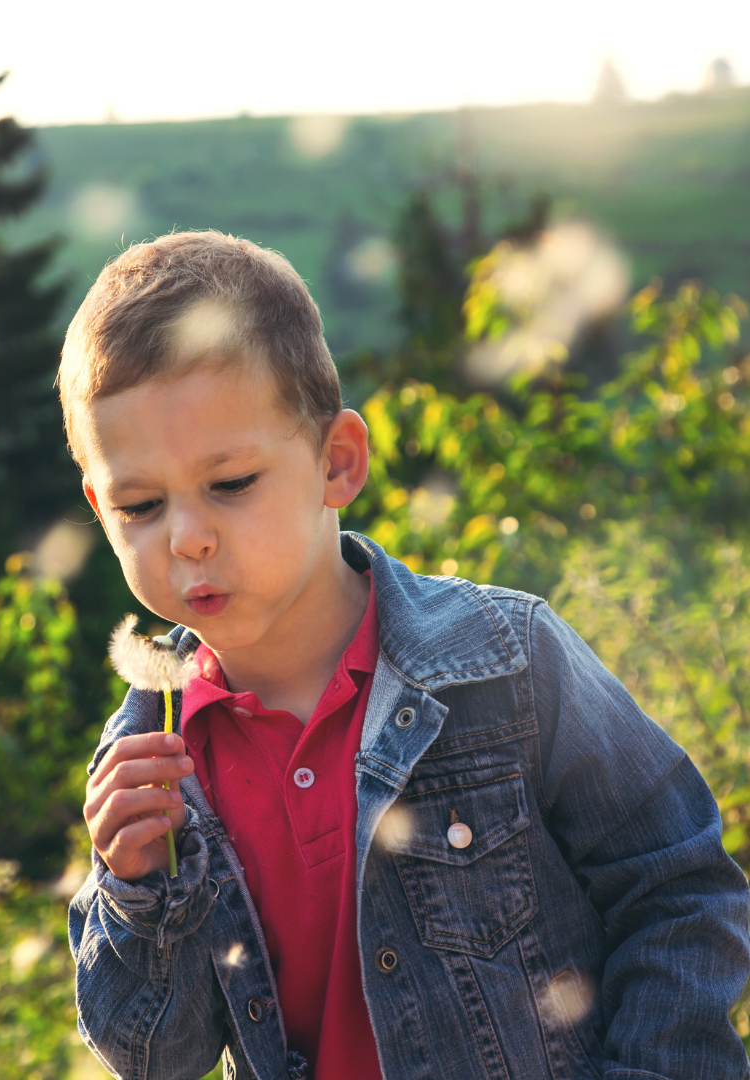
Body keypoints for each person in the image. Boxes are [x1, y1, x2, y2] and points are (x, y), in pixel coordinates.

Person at [62, 230, 750, 1080]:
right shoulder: (150, 761)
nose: (188, 537)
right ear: (98, 507)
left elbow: (679, 886)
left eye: (232, 483)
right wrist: (137, 897)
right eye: (139, 504)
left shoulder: (507, 660)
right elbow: (161, 1057)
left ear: (336, 462)